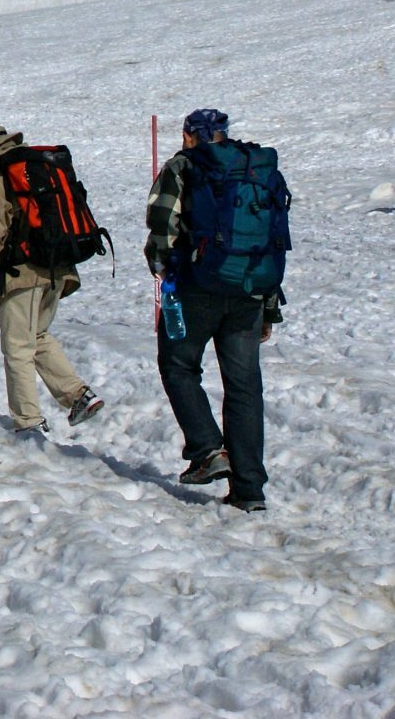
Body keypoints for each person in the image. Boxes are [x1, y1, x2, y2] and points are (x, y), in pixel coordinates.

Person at [147, 107, 289, 512]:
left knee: (178, 366)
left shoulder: (183, 166)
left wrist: (161, 266)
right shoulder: (257, 170)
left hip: (196, 289)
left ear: (189, 135)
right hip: (249, 291)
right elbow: (274, 236)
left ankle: (208, 450)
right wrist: (269, 305)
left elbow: (162, 224)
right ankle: (249, 491)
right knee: (245, 389)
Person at [0, 124, 107, 438]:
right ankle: (78, 395)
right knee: (36, 334)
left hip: (24, 272)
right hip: (58, 266)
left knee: (17, 346)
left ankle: (28, 421)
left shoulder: (0, 177)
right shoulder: (40, 167)